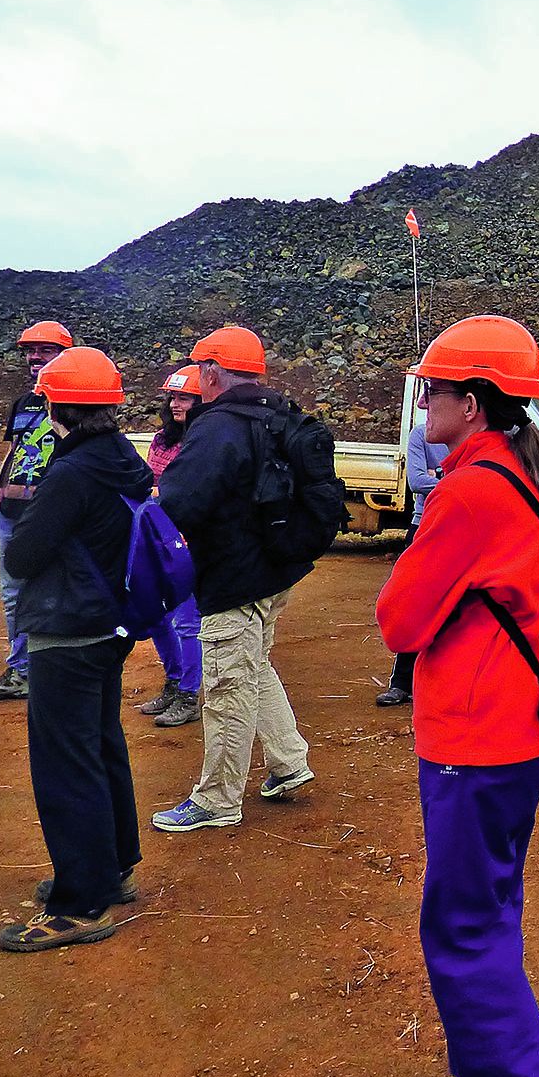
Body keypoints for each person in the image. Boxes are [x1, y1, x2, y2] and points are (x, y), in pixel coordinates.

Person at [375, 314, 539, 1077]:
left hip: (476, 741)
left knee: (464, 930)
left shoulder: (471, 490)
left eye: (431, 389)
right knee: (486, 915)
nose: (423, 403)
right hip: (514, 737)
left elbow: (398, 620)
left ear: (470, 402)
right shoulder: (516, 471)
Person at [0, 347, 155, 951]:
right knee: (100, 744)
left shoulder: (68, 473)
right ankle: (110, 869)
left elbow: (22, 556)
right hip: (109, 623)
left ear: (54, 404)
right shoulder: (122, 458)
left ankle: (79, 903)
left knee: (66, 763)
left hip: (68, 626)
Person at [151, 325, 317, 832]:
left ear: (211, 371)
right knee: (254, 663)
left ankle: (218, 799)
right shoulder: (276, 414)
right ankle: (289, 762)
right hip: (275, 570)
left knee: (226, 683)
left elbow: (182, 500)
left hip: (232, 576)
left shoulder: (219, 425)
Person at [0, 320, 71, 702]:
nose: (34, 356)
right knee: (14, 594)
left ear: (63, 355)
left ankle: (48, 668)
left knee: (51, 590)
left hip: (50, 514)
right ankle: (22, 670)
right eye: (30, 350)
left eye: (45, 350)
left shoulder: (74, 404)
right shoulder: (23, 404)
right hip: (12, 511)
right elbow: (17, 449)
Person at [137, 367, 205, 727]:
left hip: (186, 542)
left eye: (185, 398)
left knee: (186, 621)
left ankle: (189, 693)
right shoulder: (162, 440)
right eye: (174, 397)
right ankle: (175, 680)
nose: (177, 403)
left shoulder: (201, 442)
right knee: (156, 616)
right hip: (158, 538)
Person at [379, 419, 453, 708]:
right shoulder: (421, 434)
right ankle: (401, 682)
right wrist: (454, 480)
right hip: (423, 523)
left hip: (452, 521)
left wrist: (437, 479)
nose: (428, 402)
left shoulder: (475, 437)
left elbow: (425, 481)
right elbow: (416, 481)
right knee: (413, 601)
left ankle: (438, 683)